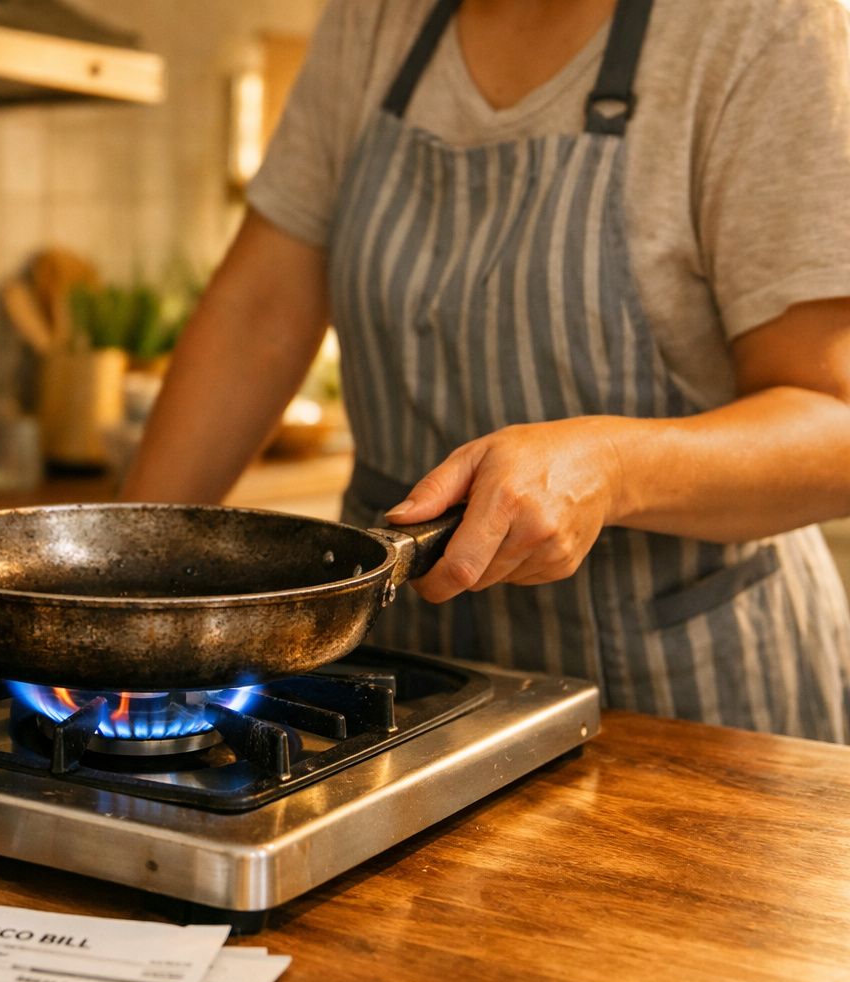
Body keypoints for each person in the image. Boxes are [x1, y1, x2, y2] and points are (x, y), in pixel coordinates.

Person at [119, 0, 850, 741]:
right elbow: (259, 318)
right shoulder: (377, 19)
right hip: (415, 692)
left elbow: (834, 421)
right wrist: (120, 587)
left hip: (686, 711)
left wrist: (612, 467)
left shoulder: (764, 25)